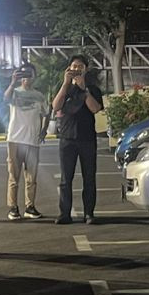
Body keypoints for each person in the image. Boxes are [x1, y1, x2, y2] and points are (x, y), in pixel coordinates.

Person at [51, 55, 103, 225]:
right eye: (74, 66)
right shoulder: (65, 89)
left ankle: (89, 213)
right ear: (69, 68)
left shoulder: (92, 89)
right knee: (66, 179)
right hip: (67, 139)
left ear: (86, 69)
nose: (76, 69)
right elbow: (56, 106)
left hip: (87, 138)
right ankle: (64, 213)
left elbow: (95, 109)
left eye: (80, 67)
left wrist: (84, 89)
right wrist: (66, 84)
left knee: (89, 178)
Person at [3, 63, 45, 220]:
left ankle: (30, 206)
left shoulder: (39, 96)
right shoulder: (14, 92)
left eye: (30, 74)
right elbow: (5, 98)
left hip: (32, 141)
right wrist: (12, 82)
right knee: (14, 177)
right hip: (15, 139)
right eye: (24, 74)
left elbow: (45, 114)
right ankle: (13, 208)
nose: (27, 77)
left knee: (31, 178)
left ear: (34, 76)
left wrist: (44, 130)